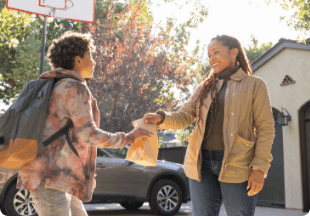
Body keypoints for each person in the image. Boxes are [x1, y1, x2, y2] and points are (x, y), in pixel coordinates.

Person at [16, 31, 153, 216]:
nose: (94, 61)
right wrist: (127, 138)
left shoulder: (50, 84)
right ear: (78, 60)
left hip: (53, 177)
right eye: (90, 56)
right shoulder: (74, 87)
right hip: (52, 178)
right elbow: (89, 135)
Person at [144, 35, 275, 216]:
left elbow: (265, 129)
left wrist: (259, 168)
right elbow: (184, 116)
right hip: (201, 163)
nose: (211, 58)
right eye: (209, 55)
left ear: (234, 52)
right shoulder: (205, 87)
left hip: (238, 163)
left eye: (216, 52)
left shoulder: (255, 85)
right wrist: (161, 118)